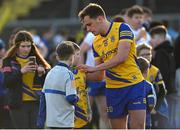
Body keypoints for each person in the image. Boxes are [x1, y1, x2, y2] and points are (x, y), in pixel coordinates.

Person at [78, 3, 146, 129]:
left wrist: (94, 68)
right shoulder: (95, 43)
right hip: (113, 90)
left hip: (134, 85)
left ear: (100, 18)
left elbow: (121, 57)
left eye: (89, 24)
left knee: (138, 126)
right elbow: (99, 76)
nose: (87, 29)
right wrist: (80, 74)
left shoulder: (123, 28)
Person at [2, 30, 51, 129]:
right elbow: (7, 83)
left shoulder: (38, 60)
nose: (26, 49)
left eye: (28, 46)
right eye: (23, 46)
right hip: (18, 104)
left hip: (36, 103)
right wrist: (21, 72)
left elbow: (48, 84)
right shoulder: (8, 61)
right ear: (16, 46)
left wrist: (42, 74)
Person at [38, 41, 78, 129]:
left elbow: (43, 97)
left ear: (57, 57)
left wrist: (41, 119)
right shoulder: (69, 74)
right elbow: (71, 97)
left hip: (51, 121)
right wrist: (77, 98)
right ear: (72, 57)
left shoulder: (50, 73)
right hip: (65, 121)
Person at [80, 32, 110, 129]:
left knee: (105, 111)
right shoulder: (91, 35)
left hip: (104, 77)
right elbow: (81, 50)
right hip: (92, 76)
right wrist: (81, 71)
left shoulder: (110, 35)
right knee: (85, 109)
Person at [136, 43, 169, 128]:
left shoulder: (155, 70)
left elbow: (162, 91)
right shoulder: (134, 70)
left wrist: (155, 108)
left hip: (152, 103)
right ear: (137, 56)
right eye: (143, 54)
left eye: (148, 54)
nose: (147, 56)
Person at [137, 57, 156, 129]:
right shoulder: (148, 86)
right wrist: (150, 109)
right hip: (146, 120)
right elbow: (151, 102)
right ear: (146, 71)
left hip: (131, 120)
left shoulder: (129, 85)